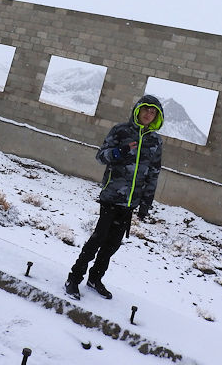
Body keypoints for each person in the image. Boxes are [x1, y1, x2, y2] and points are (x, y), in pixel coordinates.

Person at [64, 94, 164, 300]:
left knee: (112, 245)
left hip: (130, 203)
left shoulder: (155, 141)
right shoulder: (121, 131)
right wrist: (120, 151)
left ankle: (95, 278)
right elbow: (101, 156)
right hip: (111, 197)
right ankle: (74, 278)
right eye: (146, 109)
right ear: (138, 110)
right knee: (97, 240)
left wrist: (145, 203)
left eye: (153, 112)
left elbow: (153, 173)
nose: (149, 114)